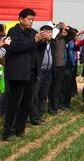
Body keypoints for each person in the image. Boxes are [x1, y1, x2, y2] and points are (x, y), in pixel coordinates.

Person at [3, 9, 44, 141]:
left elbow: (38, 50)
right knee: (14, 103)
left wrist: (42, 41)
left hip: (31, 72)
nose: (31, 22)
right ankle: (8, 132)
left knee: (27, 103)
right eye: (29, 19)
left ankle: (20, 129)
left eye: (33, 19)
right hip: (18, 73)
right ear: (21, 19)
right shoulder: (13, 32)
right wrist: (35, 41)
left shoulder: (33, 32)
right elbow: (15, 48)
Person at [30, 25, 56, 124]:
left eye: (51, 32)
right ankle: (34, 117)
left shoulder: (52, 43)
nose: (50, 34)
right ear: (42, 33)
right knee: (34, 95)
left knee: (44, 94)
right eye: (48, 32)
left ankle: (40, 115)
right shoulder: (37, 43)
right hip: (39, 71)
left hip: (48, 71)